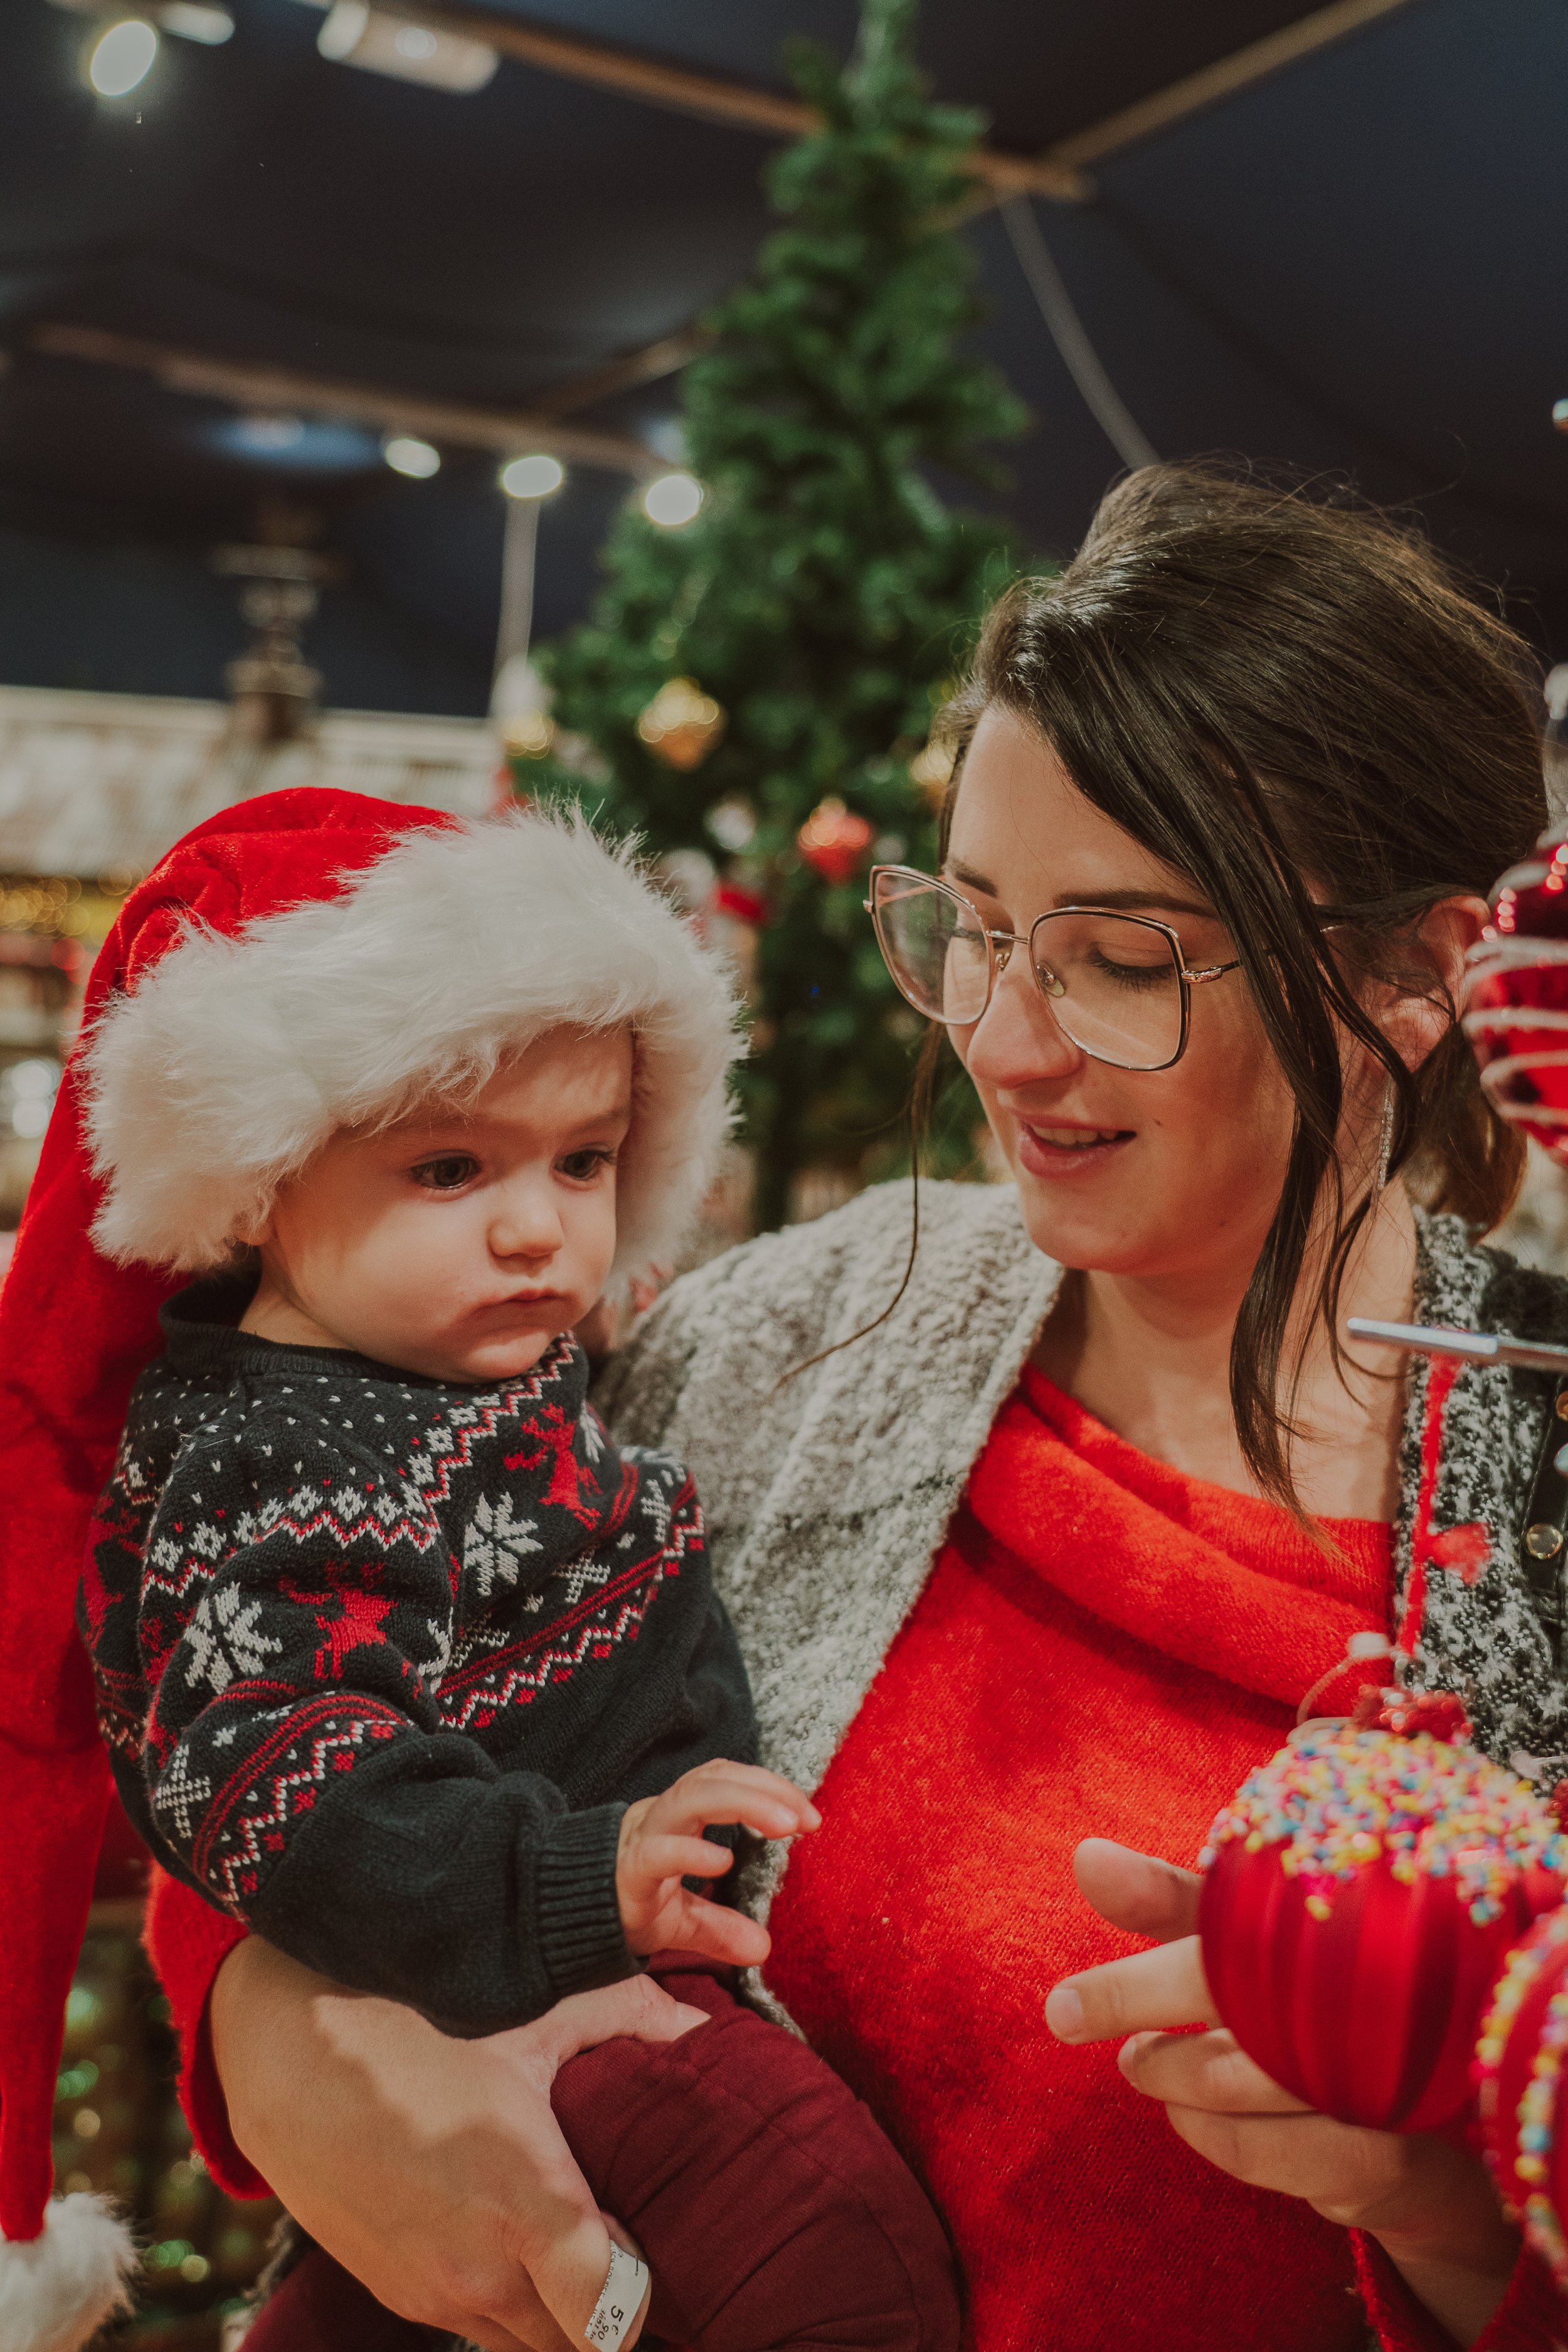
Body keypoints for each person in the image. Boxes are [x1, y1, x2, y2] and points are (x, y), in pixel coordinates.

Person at [36, 464, 1568, 2352]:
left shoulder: (1536, 1509)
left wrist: (1451, 2204)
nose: (1001, 1039)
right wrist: (281, 2030)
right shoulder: (772, 1346)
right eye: (978, 924)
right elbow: (316, 1704)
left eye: (1119, 956)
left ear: (1417, 972)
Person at [0, 793, 959, 2352]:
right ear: (256, 1181)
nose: (538, 1232)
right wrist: (583, 1880)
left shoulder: (444, 1364)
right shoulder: (281, 1458)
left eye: (584, 1163)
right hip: (525, 1982)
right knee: (836, 2269)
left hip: (556, 1986)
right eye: (450, 1170)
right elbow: (282, 1791)